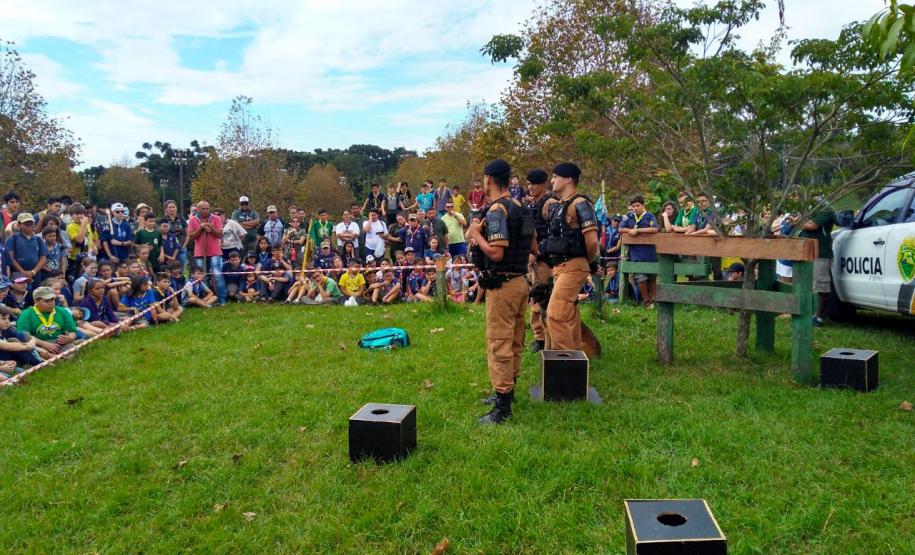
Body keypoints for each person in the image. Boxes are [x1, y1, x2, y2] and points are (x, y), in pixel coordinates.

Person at [466, 159, 533, 425]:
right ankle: (509, 390)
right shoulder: (521, 208)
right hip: (520, 281)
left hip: (502, 284)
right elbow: (532, 245)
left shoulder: (497, 210)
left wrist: (475, 234)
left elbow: (495, 251)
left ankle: (502, 406)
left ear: (489, 180)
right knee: (515, 339)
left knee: (499, 343)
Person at [539, 162, 599, 350]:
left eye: (556, 176)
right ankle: (577, 359)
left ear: (568, 179)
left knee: (556, 313)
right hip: (559, 266)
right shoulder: (560, 205)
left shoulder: (580, 203)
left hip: (573, 265)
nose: (552, 180)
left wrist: (585, 262)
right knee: (568, 313)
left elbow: (592, 242)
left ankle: (564, 361)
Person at [525, 168, 558, 352]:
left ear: (544, 184)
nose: (531, 187)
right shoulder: (531, 205)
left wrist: (537, 253)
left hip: (547, 258)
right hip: (535, 258)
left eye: (534, 183)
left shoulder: (550, 203)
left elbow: (554, 234)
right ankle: (539, 336)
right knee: (536, 296)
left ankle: (545, 338)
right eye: (528, 183)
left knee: (543, 296)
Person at [795, 204, 836, 326]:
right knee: (807, 284)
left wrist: (797, 222)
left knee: (821, 285)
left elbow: (811, 225)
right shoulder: (809, 210)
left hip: (820, 253)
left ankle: (819, 317)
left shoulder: (826, 210)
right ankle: (808, 313)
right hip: (807, 253)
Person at [620, 195, 660, 308]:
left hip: (649, 252)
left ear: (643, 206)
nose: (635, 208)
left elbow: (654, 229)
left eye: (638, 205)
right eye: (633, 206)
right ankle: (646, 301)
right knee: (641, 278)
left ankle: (654, 299)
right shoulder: (628, 216)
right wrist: (630, 230)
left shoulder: (649, 216)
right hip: (635, 253)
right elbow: (621, 229)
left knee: (652, 277)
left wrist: (638, 230)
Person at [17, 286, 79, 354]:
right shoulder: (26, 314)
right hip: (38, 344)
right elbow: (24, 335)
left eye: (52, 300)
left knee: (71, 352)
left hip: (59, 343)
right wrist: (44, 344)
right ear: (36, 301)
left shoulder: (62, 311)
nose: (51, 303)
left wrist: (70, 338)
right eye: (46, 301)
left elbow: (72, 331)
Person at [186, 201, 226, 304]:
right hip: (200, 252)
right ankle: (208, 299)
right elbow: (192, 236)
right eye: (203, 209)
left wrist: (210, 228)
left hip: (215, 251)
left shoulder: (216, 218)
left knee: (217, 275)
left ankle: (222, 299)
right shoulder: (193, 220)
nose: (206, 211)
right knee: (203, 276)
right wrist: (201, 228)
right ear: (198, 209)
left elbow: (220, 235)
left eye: (207, 208)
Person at [6, 213, 48, 282]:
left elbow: (43, 258)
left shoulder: (38, 239)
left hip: (36, 274)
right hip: (18, 274)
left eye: (31, 224)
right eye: (26, 224)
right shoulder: (13, 238)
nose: (29, 226)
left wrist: (33, 271)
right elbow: (10, 258)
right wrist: (23, 272)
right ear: (19, 224)